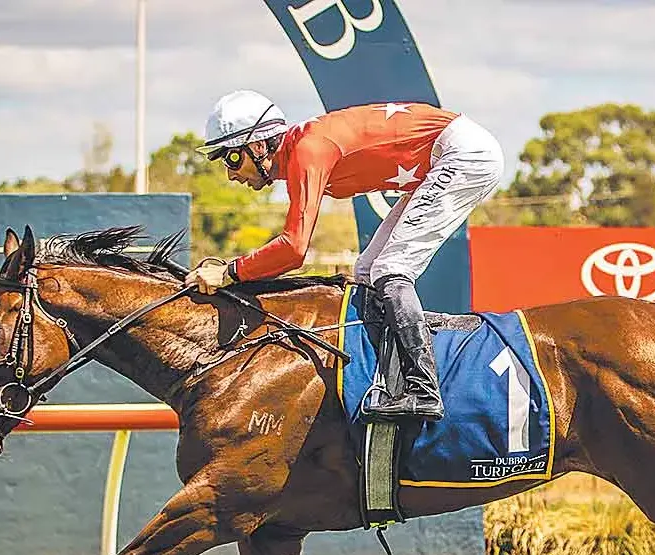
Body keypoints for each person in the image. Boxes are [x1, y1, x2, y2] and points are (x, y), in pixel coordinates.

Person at [188, 90, 504, 421]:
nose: (231, 173)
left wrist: (229, 272)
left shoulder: (307, 151)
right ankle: (386, 374)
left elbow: (294, 249)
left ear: (257, 147)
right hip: (449, 152)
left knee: (390, 267)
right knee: (367, 269)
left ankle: (423, 390)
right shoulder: (302, 149)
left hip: (462, 154)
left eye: (232, 159)